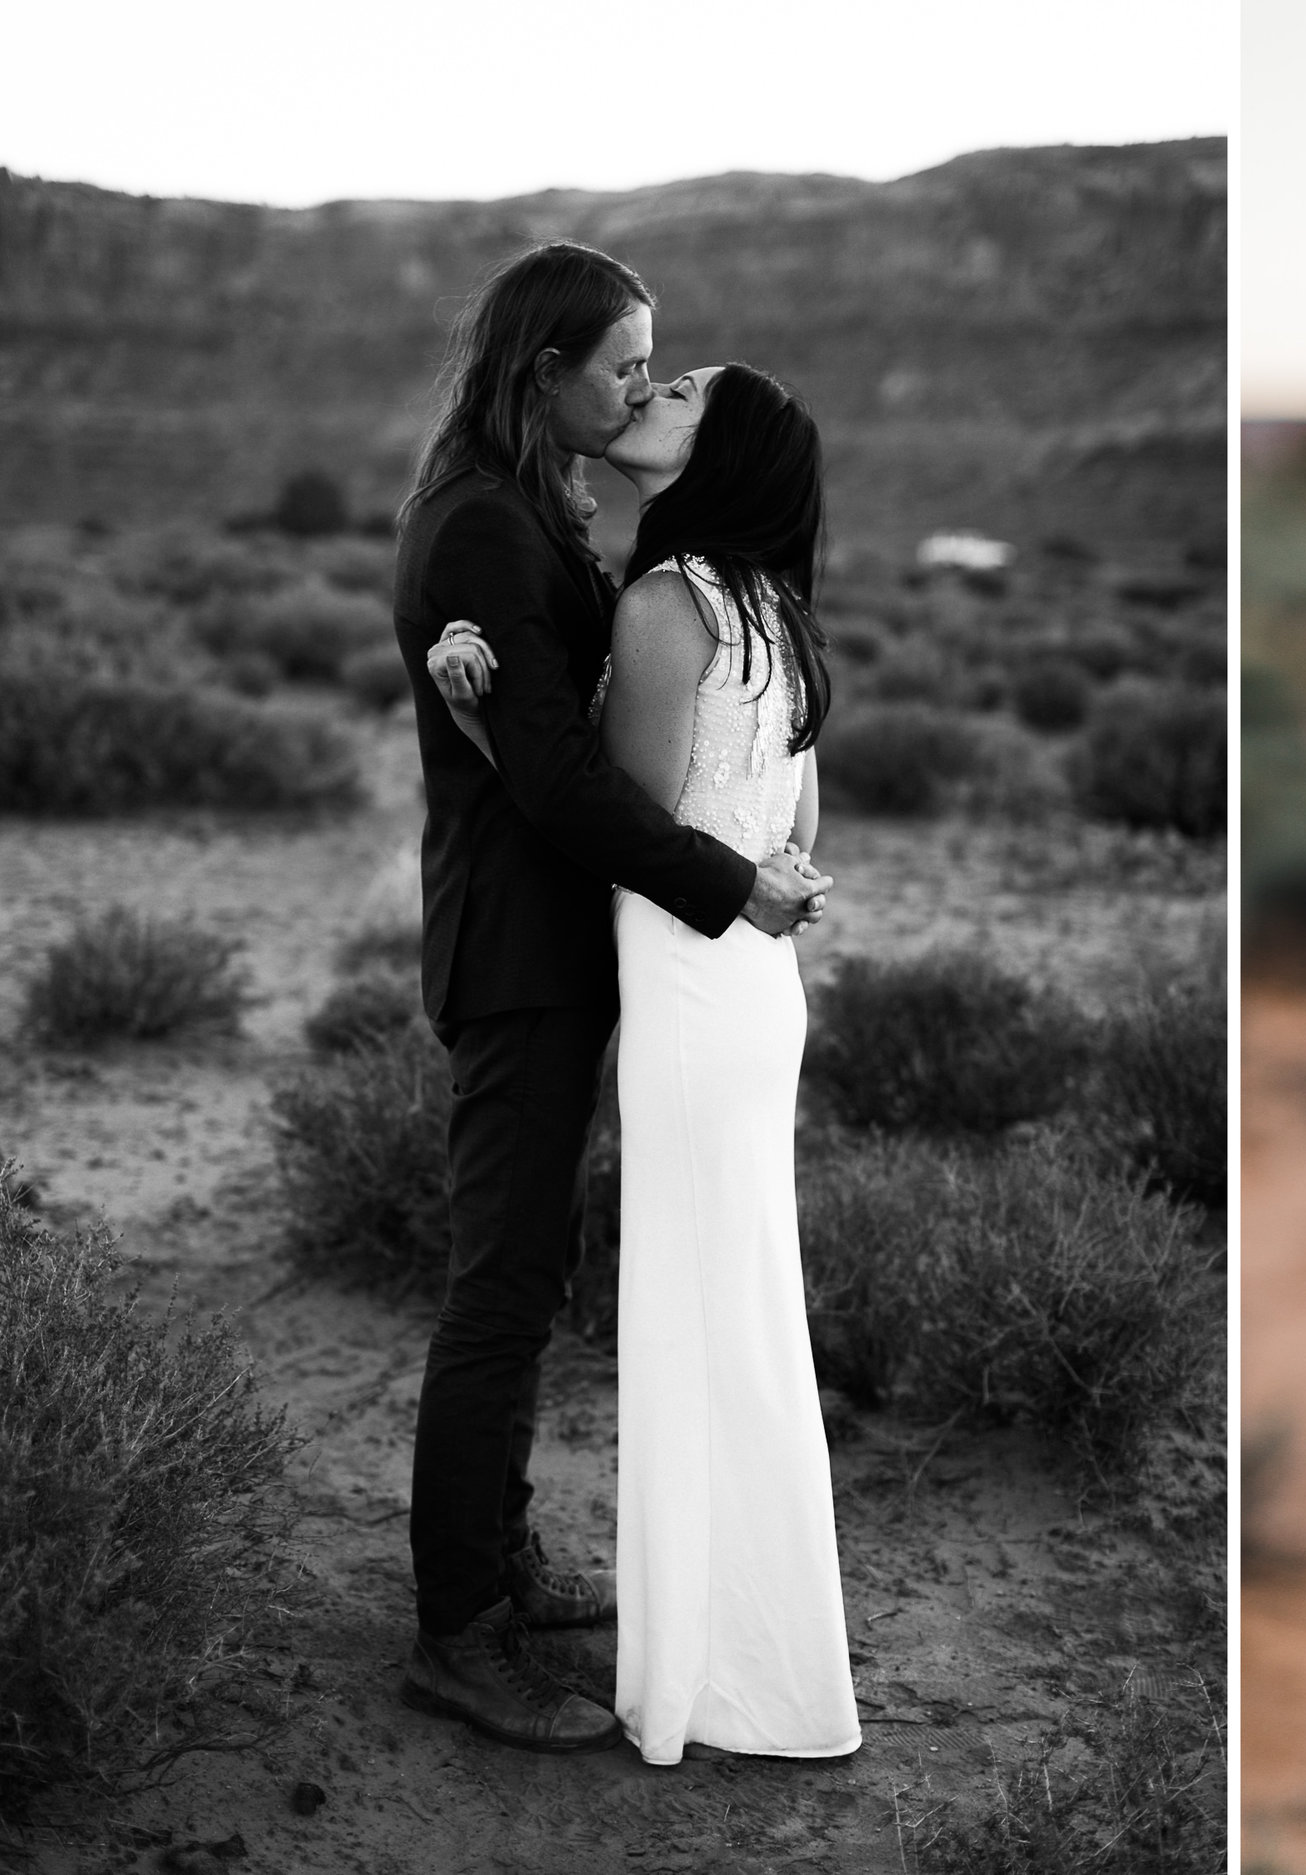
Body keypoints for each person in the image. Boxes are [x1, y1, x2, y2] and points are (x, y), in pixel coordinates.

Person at [392, 242, 824, 1754]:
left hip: (573, 955)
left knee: (530, 1273)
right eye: (626, 362)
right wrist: (731, 885)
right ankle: (461, 1631)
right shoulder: (481, 537)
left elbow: (560, 731)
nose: (642, 383)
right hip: (521, 958)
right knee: (500, 1292)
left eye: (658, 366)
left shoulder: (524, 519)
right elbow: (566, 787)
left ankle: (497, 1564)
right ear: (544, 373)